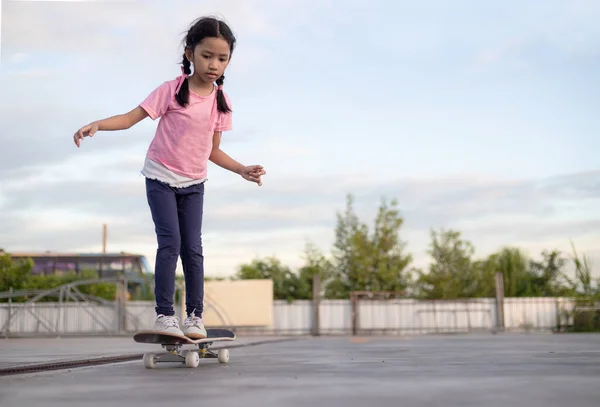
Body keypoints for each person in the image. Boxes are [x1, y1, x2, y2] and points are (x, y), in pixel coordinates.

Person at [72, 16, 266, 339]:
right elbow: (131, 118)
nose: (214, 64)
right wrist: (98, 124)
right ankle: (164, 315)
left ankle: (194, 317)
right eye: (207, 56)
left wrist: (241, 169)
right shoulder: (172, 91)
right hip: (160, 177)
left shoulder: (221, 103)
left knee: (193, 249)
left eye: (222, 58)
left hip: (194, 184)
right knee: (170, 243)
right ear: (190, 54)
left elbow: (211, 151)